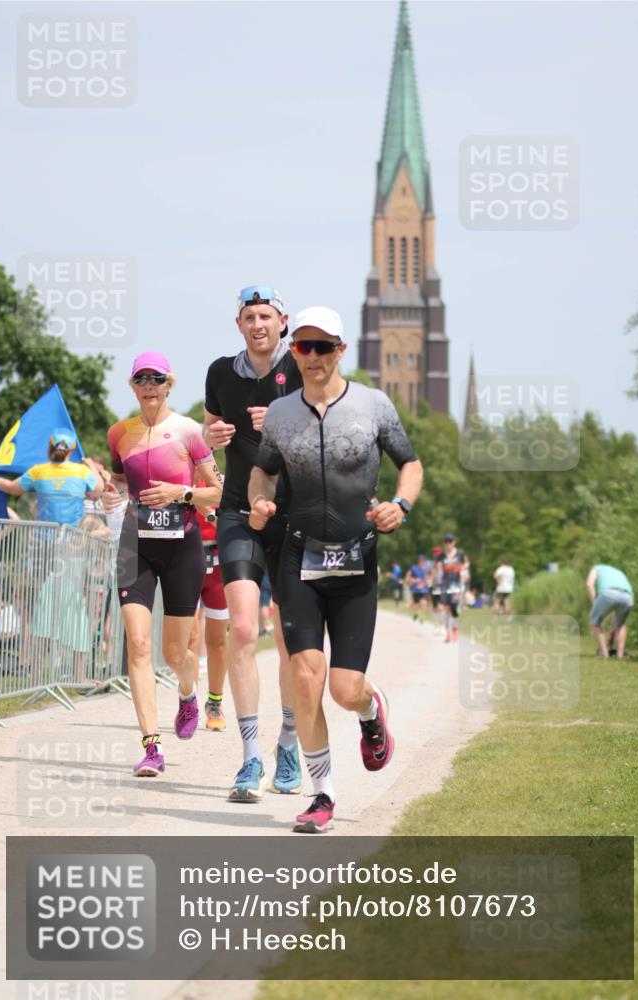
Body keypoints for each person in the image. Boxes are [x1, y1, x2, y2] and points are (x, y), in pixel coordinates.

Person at [248, 306, 423, 833]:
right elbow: (263, 471)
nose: (313, 356)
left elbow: (409, 464)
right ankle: (322, 794)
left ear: (341, 350)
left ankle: (371, 714)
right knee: (306, 678)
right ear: (293, 352)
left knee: (345, 688)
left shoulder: (373, 405)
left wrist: (401, 506)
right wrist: (260, 501)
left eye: (323, 346)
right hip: (298, 557)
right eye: (303, 346)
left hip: (355, 560)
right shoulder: (280, 414)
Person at [204, 284, 303, 801]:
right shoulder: (221, 372)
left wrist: (286, 427)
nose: (258, 324)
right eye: (249, 316)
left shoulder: (304, 369)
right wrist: (213, 436)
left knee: (288, 638)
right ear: (238, 324)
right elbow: (210, 426)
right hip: (239, 512)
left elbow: (328, 441)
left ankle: (288, 742)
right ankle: (249, 759)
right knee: (242, 629)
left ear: (282, 322)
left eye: (266, 315)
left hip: (293, 518)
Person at [103, 351, 223, 776]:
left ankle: (188, 693)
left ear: (169, 383)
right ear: (133, 387)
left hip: (182, 546)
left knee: (176, 653)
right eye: (141, 379)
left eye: (156, 378)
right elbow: (119, 481)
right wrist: (111, 494)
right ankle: (152, 747)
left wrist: (180, 493)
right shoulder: (119, 433)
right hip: (135, 545)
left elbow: (218, 494)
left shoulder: (190, 432)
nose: (149, 385)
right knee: (137, 644)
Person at [0, 429, 104, 527]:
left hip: (43, 545)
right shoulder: (82, 471)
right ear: (71, 450)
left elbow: (10, 487)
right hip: (73, 543)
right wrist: (91, 465)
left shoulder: (38, 471)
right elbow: (99, 490)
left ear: (50, 447)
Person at [192, 490, 230, 732]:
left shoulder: (221, 484)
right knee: (189, 637)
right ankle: (188, 702)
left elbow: (233, 524)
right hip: (187, 561)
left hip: (217, 564)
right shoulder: (176, 480)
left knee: (216, 641)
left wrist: (209, 514)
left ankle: (214, 703)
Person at [586, 564, 634, 659]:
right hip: (628, 596)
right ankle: (620, 655)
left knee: (594, 622)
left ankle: (605, 653)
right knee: (620, 625)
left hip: (608, 593)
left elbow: (589, 584)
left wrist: (594, 602)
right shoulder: (619, 572)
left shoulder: (596, 568)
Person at [439, 532, 468, 642]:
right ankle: (448, 633)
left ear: (454, 542)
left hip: (456, 585)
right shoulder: (441, 556)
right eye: (446, 541)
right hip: (445, 585)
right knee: (446, 609)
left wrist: (460, 568)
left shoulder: (460, 553)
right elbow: (437, 569)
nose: (448, 543)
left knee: (454, 608)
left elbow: (467, 563)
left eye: (450, 541)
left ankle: (455, 628)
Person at [405, 554, 430, 620]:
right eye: (420, 561)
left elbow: (429, 578)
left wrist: (427, 582)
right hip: (415, 590)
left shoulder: (427, 569)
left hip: (424, 590)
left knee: (423, 603)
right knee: (415, 605)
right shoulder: (413, 568)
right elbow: (407, 579)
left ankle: (421, 616)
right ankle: (417, 613)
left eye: (423, 561)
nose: (422, 562)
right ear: (418, 561)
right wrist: (414, 580)